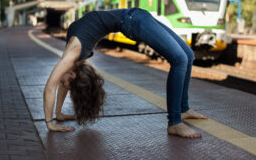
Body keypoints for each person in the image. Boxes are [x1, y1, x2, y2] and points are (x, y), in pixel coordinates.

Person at [43, 8, 208, 139]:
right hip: (136, 16)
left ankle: (179, 115)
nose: (61, 83)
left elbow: (50, 87)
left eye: (64, 84)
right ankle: (178, 117)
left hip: (134, 19)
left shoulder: (71, 55)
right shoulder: (73, 61)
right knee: (183, 57)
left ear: (71, 74)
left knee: (184, 57)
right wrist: (59, 114)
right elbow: (61, 84)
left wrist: (50, 122)